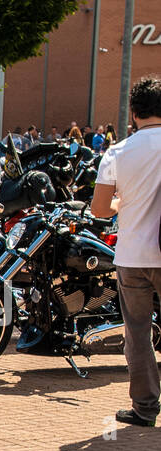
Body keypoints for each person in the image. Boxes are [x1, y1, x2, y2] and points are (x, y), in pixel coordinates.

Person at [91, 76, 161, 427]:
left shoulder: (117, 152)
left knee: (137, 332)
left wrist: (120, 203)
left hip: (133, 255)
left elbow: (100, 209)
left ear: (133, 113)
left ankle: (145, 407)